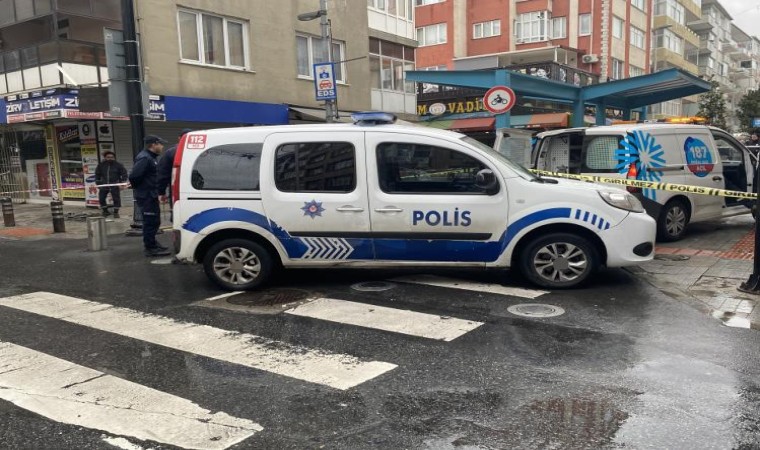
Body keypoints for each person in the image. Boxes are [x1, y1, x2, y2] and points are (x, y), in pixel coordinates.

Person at [129, 135, 170, 257]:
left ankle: (153, 243)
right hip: (146, 195)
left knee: (155, 221)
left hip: (150, 195)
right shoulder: (145, 158)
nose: (162, 146)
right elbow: (134, 176)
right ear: (153, 145)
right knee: (150, 222)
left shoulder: (151, 158)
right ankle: (150, 248)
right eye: (160, 144)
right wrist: (142, 188)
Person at [157, 128, 192, 218]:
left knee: (178, 215)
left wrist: (161, 192)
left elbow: (163, 174)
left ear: (179, 138)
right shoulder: (204, 151)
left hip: (177, 190)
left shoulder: (171, 152)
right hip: (198, 190)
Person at [94, 150, 128, 218]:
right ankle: (105, 211)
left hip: (114, 184)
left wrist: (122, 183)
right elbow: (97, 174)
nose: (110, 158)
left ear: (114, 158)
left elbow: (124, 174)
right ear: (105, 158)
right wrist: (98, 183)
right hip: (104, 184)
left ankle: (116, 212)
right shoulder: (101, 165)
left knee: (116, 199)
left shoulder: (118, 165)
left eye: (112, 157)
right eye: (108, 157)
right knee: (101, 198)